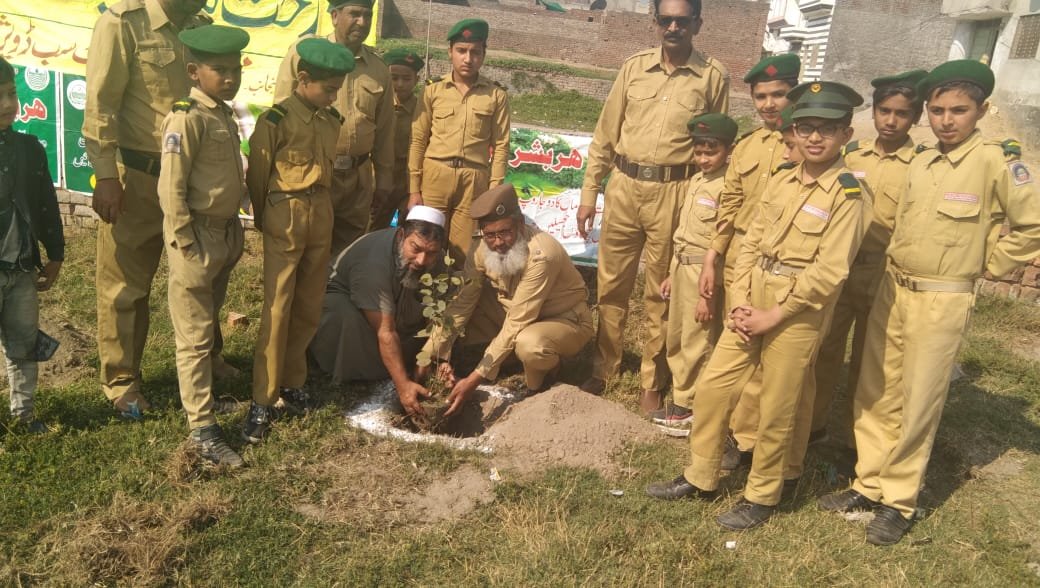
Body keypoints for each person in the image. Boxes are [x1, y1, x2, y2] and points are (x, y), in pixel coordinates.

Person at [818, 60, 1040, 546]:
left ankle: (897, 501)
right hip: (892, 289)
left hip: (941, 298)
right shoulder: (921, 159)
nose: (946, 119)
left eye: (958, 110)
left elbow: (1032, 224)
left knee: (918, 400)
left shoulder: (996, 161)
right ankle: (868, 482)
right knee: (876, 390)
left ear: (981, 110)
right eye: (937, 110)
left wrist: (989, 264)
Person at [647, 81, 869, 532]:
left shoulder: (848, 195)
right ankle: (701, 474)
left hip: (798, 310)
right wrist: (744, 300)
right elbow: (750, 244)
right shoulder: (783, 179)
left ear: (845, 134)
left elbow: (829, 271)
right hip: (754, 298)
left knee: (776, 405)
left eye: (826, 129)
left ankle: (763, 493)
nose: (813, 138)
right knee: (713, 387)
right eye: (805, 128)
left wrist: (775, 314)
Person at [575, 0, 729, 414]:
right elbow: (605, 133)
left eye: (682, 20)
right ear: (655, 22)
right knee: (612, 286)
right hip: (624, 186)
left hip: (673, 192)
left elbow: (716, 143)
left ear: (698, 23)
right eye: (666, 19)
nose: (673, 27)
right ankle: (603, 367)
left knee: (662, 290)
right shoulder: (633, 68)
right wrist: (591, 191)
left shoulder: (712, 77)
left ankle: (651, 379)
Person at [83, 0, 218, 420]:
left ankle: (209, 359)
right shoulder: (122, 23)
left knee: (202, 274)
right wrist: (106, 175)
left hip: (193, 177)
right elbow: (101, 103)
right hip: (141, 176)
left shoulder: (200, 26)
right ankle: (122, 382)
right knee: (126, 285)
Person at [244, 38, 355, 444]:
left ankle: (292, 382)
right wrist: (265, 218)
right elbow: (257, 176)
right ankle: (263, 396)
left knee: (308, 303)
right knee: (277, 308)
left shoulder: (331, 121)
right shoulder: (276, 120)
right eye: (328, 89)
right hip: (285, 215)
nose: (334, 96)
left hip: (319, 214)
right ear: (303, 79)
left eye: (337, 89)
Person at [809, 69, 925, 448]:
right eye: (884, 111)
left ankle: (854, 439)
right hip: (844, 267)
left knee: (871, 362)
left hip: (884, 272)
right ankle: (814, 426)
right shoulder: (851, 155)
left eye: (902, 113)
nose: (891, 121)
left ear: (915, 118)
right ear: (872, 113)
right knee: (826, 350)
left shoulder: (922, 165)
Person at [157, 25, 249, 467]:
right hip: (196, 237)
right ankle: (203, 431)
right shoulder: (186, 117)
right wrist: (184, 242)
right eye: (219, 70)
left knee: (210, 322)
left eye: (235, 69)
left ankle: (206, 398)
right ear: (194, 71)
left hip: (225, 234)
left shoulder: (222, 115)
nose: (230, 77)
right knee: (193, 338)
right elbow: (171, 188)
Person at [420, 184, 594, 415]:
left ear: (521, 225)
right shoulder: (480, 250)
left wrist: (475, 378)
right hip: (514, 315)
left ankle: (552, 370)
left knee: (529, 344)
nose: (498, 242)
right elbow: (462, 304)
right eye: (490, 235)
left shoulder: (542, 254)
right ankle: (508, 358)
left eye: (505, 233)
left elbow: (519, 320)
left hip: (563, 320)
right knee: (462, 313)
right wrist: (428, 355)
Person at [709, 53, 800, 468]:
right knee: (739, 340)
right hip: (740, 256)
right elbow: (729, 204)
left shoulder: (807, 143)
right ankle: (737, 430)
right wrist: (714, 257)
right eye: (761, 96)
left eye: (778, 94)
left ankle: (750, 440)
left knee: (769, 355)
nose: (768, 104)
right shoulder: (747, 146)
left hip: (784, 262)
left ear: (793, 93)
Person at [273, 0, 394, 257]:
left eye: (367, 15)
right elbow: (280, 113)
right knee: (307, 250)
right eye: (354, 14)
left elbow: (384, 131)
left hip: (358, 179)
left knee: (348, 254)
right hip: (313, 173)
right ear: (335, 15)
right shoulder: (304, 53)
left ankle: (334, 297)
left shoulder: (379, 69)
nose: (362, 22)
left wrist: (383, 180)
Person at [310, 206, 447, 416]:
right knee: (341, 316)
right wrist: (403, 386)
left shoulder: (437, 259)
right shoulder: (373, 262)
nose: (421, 260)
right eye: (416, 249)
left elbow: (441, 315)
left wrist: (437, 358)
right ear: (402, 235)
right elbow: (385, 331)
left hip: (394, 319)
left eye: (430, 253)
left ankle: (397, 361)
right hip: (356, 311)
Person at [652, 113, 737, 432]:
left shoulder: (729, 185)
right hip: (683, 267)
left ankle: (691, 407)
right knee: (676, 336)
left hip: (706, 271)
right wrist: (673, 272)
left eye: (711, 151)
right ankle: (680, 397)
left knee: (698, 340)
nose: (703, 158)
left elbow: (722, 238)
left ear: (729, 150)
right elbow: (685, 232)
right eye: (698, 151)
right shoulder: (698, 180)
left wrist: (708, 294)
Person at [408, 18, 511, 265]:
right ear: (450, 53)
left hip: (473, 180)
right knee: (424, 244)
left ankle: (452, 301)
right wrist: (414, 189)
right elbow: (418, 140)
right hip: (435, 175)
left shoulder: (496, 95)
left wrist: (494, 191)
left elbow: (501, 147)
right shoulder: (433, 91)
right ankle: (415, 301)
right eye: (461, 51)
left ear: (484, 55)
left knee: (462, 252)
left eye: (475, 52)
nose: (468, 58)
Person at [0, 58, 64, 433]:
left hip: (21, 269)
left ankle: (23, 417)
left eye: (10, 93)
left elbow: (45, 206)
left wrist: (54, 254)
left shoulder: (28, 148)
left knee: (23, 345)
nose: (8, 103)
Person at [371, 48, 424, 230]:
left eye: (407, 79)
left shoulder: (423, 110)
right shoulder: (376, 105)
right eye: (394, 78)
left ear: (416, 80)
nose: (400, 84)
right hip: (378, 177)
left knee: (408, 230)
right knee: (371, 228)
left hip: (408, 181)